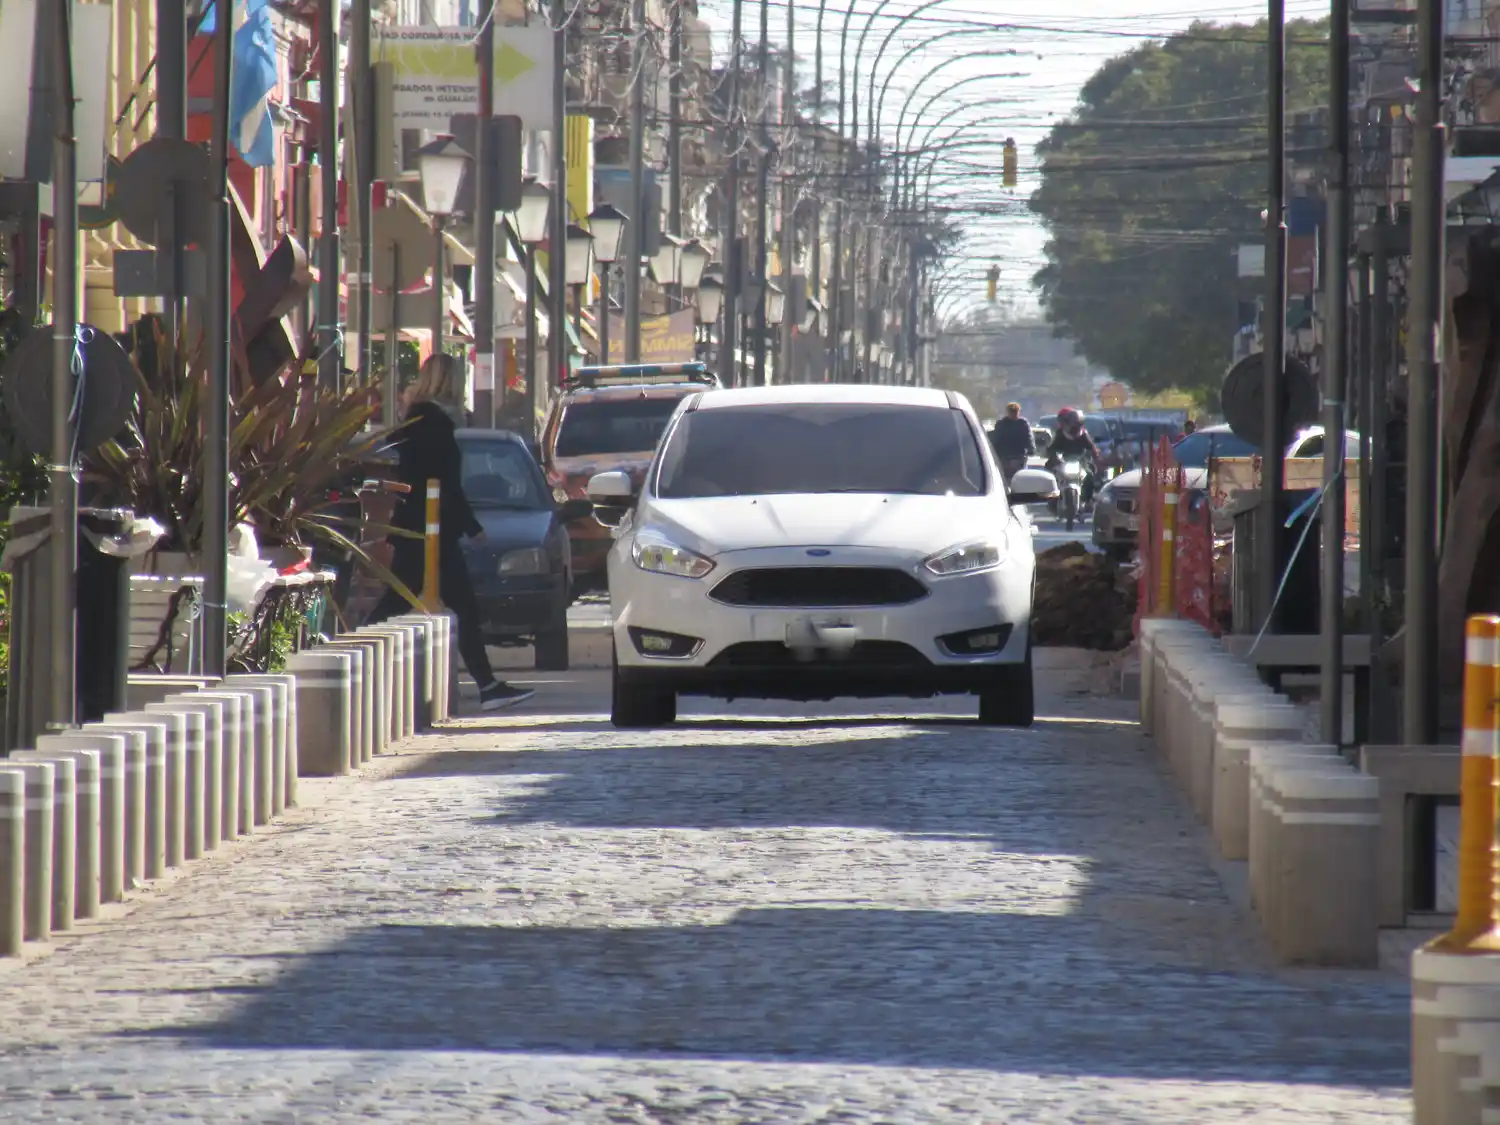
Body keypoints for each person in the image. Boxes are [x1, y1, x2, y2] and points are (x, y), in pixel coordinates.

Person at [366, 354, 535, 711]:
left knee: (421, 600)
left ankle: (487, 684)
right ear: (450, 383)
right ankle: (486, 685)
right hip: (429, 532)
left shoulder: (418, 419)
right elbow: (443, 484)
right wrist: (472, 527)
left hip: (423, 528)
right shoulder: (433, 423)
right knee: (431, 602)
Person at [1044, 406, 1103, 506]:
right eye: (1072, 422)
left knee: (1089, 475)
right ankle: (1052, 499)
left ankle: (1087, 500)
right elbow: (1051, 448)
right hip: (1063, 461)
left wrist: (1096, 456)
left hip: (1080, 461)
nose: (1074, 426)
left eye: (1076, 423)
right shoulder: (1060, 434)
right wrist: (1054, 457)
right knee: (1049, 473)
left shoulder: (1083, 434)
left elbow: (1091, 447)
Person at [988, 402, 1035, 480]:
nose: (1013, 414)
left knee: (1019, 477)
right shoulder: (1001, 424)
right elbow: (996, 438)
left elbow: (1029, 437)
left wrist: (1031, 449)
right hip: (1004, 456)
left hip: (1019, 455)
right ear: (1008, 412)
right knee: (1004, 477)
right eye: (1011, 411)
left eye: (1015, 411)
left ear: (1018, 412)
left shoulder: (1023, 423)